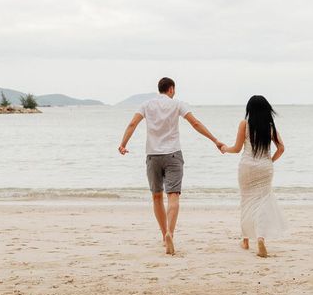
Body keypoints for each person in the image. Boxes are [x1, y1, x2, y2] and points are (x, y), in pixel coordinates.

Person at [119, 77, 224, 255]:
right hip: (173, 155)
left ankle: (163, 235)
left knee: (157, 197)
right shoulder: (177, 104)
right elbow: (195, 123)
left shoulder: (146, 105)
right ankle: (170, 234)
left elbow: (132, 123)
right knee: (173, 196)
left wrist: (123, 144)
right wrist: (215, 140)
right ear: (171, 89)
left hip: (153, 156)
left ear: (159, 89)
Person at [221, 95, 286, 257]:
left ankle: (245, 240)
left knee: (246, 201)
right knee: (263, 203)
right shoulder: (270, 127)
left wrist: (224, 148)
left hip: (247, 167)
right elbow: (281, 148)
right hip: (265, 168)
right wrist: (269, 161)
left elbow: (236, 148)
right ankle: (261, 238)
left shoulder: (245, 124)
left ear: (249, 109)